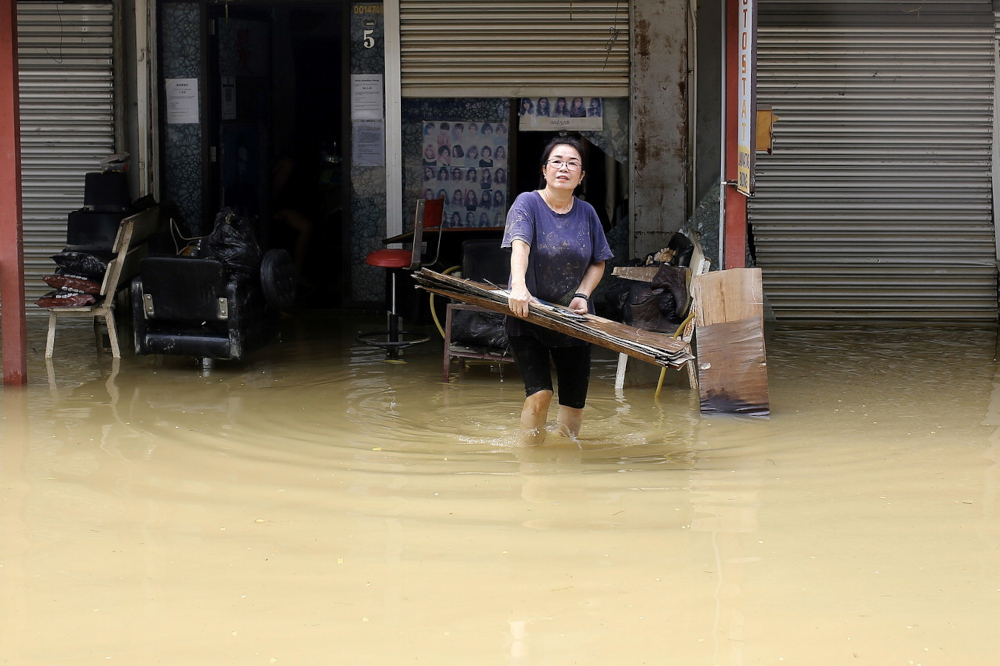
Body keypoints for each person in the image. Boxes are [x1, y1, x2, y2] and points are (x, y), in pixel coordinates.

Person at [502, 136, 612, 444]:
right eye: (557, 161)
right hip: (527, 314)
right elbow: (519, 246)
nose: (564, 167)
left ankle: (565, 463)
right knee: (540, 394)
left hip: (573, 319)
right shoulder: (527, 203)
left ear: (581, 176)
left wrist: (582, 295)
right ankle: (530, 461)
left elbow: (597, 262)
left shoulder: (588, 213)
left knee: (573, 403)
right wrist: (520, 288)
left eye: (573, 163)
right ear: (545, 170)